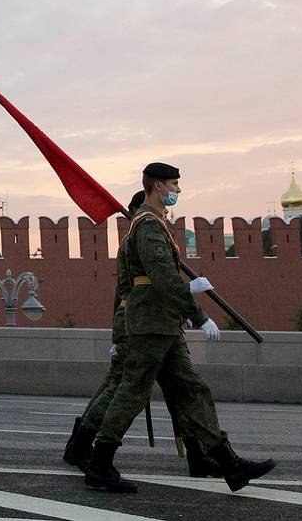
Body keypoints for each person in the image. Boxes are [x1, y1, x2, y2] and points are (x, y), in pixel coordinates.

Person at [84, 162, 276, 493]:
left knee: (191, 389)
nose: (177, 191)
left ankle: (228, 463)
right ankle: (99, 463)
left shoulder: (154, 224)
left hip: (163, 323)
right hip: (150, 324)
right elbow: (162, 278)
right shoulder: (147, 226)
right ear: (158, 186)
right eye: (174, 184)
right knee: (132, 391)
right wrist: (198, 313)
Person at [63, 191, 223, 479]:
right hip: (140, 322)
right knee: (123, 389)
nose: (165, 213)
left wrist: (179, 310)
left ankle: (199, 454)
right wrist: (120, 334)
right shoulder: (141, 235)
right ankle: (82, 446)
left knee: (179, 390)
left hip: (158, 320)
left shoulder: (145, 234)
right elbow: (134, 291)